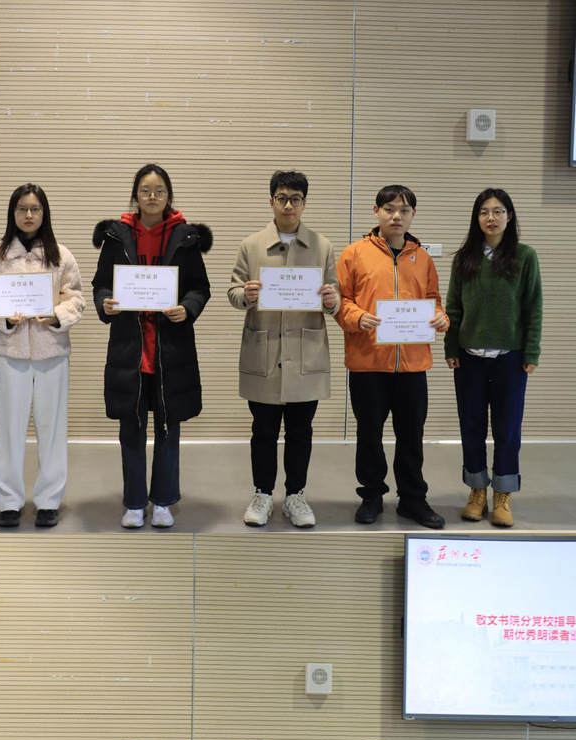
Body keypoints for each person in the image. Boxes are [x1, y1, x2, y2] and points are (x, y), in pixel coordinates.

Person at [92, 164, 211, 529]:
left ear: (168, 196)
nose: (152, 197)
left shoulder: (185, 237)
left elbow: (199, 287)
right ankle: (133, 502)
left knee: (167, 429)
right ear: (136, 196)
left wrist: (187, 308)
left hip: (170, 349)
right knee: (130, 428)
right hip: (129, 348)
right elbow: (101, 284)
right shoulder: (116, 237)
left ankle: (162, 501)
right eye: (145, 190)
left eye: (159, 191)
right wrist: (105, 302)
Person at [229, 169, 340, 528]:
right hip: (264, 352)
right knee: (263, 430)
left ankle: (295, 495)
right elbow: (233, 291)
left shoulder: (322, 246)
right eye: (282, 198)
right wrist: (246, 295)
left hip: (305, 352)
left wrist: (331, 301)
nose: (288, 205)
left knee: (300, 431)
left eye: (295, 199)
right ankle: (263, 494)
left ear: (304, 203)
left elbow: (335, 296)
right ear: (271, 201)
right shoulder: (250, 245)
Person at [335, 184, 448, 529]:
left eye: (404, 210)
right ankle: (371, 495)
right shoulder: (354, 253)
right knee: (369, 433)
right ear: (376, 211)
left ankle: (412, 498)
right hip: (368, 362)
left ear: (413, 214)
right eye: (389, 209)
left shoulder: (422, 257)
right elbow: (340, 301)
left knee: (411, 434)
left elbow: (433, 300)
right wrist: (356, 317)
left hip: (412, 364)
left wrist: (440, 317)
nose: (396, 216)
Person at [0, 183, 85, 529]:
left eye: (35, 209)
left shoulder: (61, 255)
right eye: (22, 208)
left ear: (44, 213)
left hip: (52, 351)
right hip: (11, 352)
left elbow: (76, 298)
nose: (28, 215)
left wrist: (57, 316)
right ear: (13, 212)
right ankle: (9, 502)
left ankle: (49, 501)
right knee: (9, 429)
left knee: (52, 429)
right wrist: (5, 318)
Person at [444, 189, 542, 528]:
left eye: (498, 211)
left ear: (509, 217)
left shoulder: (525, 256)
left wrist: (531, 351)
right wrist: (451, 347)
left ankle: (503, 494)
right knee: (471, 426)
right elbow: (453, 306)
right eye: (484, 211)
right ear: (477, 218)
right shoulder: (465, 258)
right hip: (469, 358)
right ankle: (477, 491)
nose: (491, 218)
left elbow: (533, 307)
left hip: (510, 359)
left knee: (507, 428)